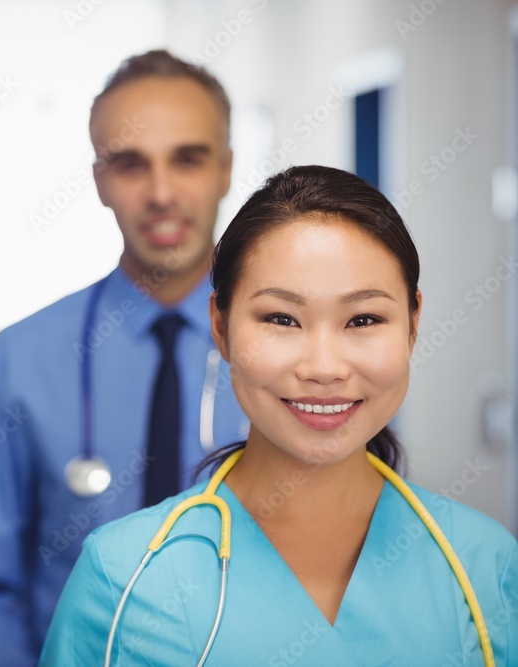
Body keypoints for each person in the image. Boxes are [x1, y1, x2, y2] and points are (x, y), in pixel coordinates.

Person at [40, 165, 518, 666]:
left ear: (413, 326)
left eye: (364, 319)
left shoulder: (484, 565)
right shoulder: (123, 578)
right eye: (281, 319)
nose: (324, 368)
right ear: (220, 328)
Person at [0, 50, 250, 666]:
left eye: (187, 158)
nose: (160, 192)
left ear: (227, 169)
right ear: (100, 180)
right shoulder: (19, 361)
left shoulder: (301, 353)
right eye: (130, 164)